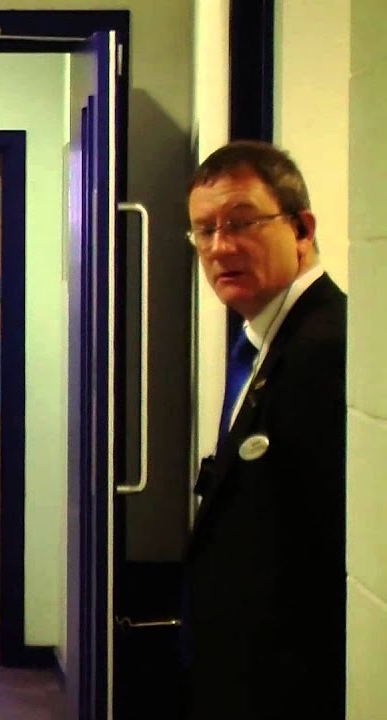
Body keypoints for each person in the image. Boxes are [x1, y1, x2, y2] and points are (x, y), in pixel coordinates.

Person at [182, 141, 346, 720]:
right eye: (203, 231)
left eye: (242, 223)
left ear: (302, 228)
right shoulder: (261, 341)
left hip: (291, 678)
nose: (219, 247)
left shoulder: (330, 350)